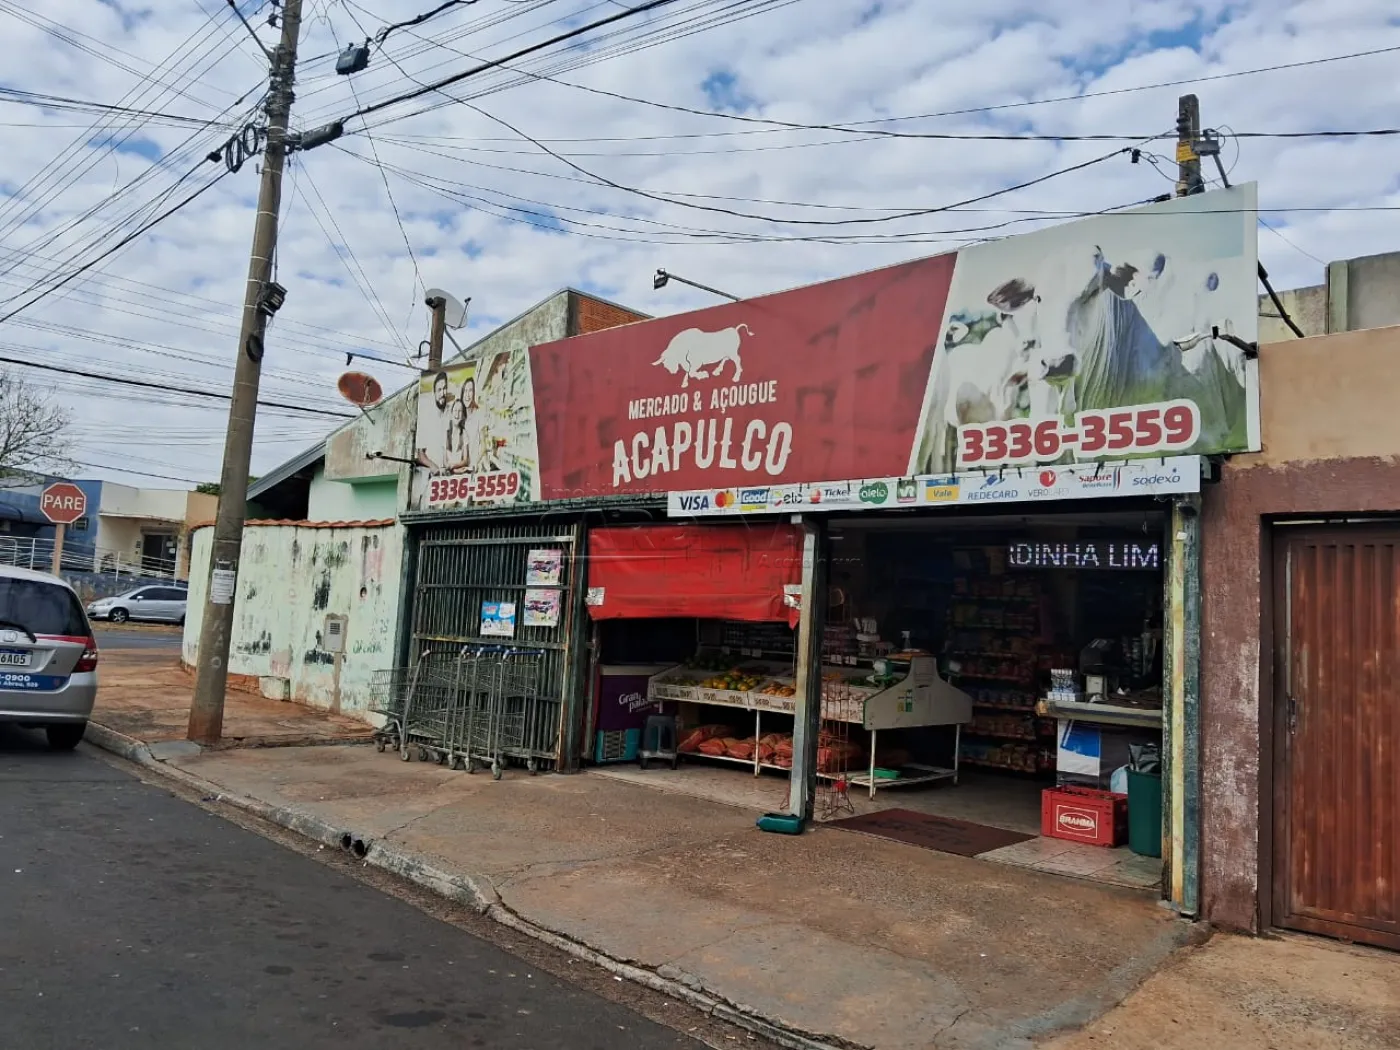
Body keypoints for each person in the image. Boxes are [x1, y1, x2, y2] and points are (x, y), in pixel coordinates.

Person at [414, 370, 452, 470]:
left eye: (444, 388)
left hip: (448, 473)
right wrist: (433, 466)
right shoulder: (427, 417)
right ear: (434, 392)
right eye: (439, 390)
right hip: (431, 473)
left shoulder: (450, 413)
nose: (442, 393)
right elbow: (420, 454)